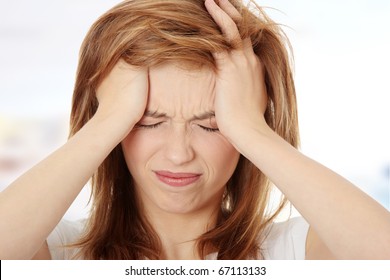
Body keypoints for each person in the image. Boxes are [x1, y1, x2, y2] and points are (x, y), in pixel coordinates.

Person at [0, 0, 389, 260]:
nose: (178, 153)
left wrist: (251, 129)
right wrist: (106, 120)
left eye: (211, 125)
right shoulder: (61, 252)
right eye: (148, 121)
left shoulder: (291, 251)